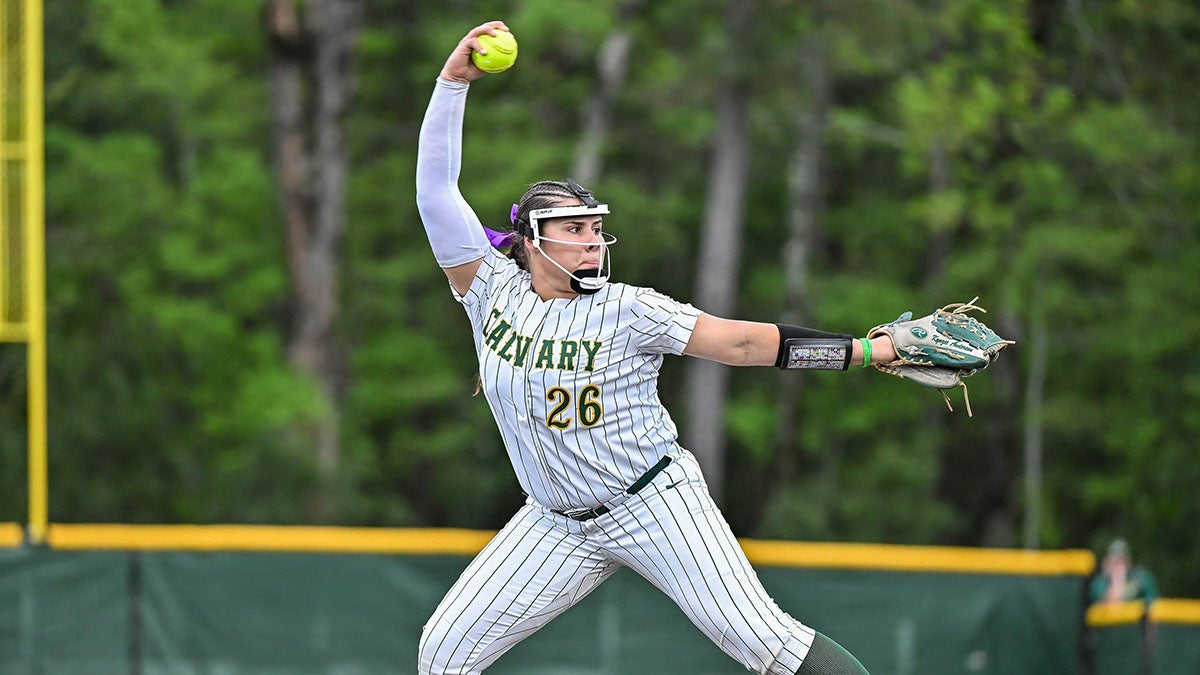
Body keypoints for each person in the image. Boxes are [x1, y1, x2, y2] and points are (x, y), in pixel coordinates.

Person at [414, 21, 893, 675]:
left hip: (653, 502)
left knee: (765, 642)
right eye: (573, 229)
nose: (590, 240)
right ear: (530, 240)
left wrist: (866, 352)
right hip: (553, 523)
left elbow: (747, 344)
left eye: (595, 228)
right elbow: (437, 192)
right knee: (442, 653)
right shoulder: (488, 287)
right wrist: (452, 84)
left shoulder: (629, 309)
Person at [1090, 538, 1160, 606]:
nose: (1118, 565)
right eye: (1115, 561)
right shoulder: (1100, 582)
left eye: (1122, 560)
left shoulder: (1141, 578)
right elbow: (1109, 603)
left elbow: (1153, 603)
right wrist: (1117, 581)